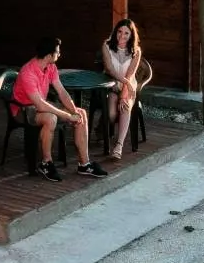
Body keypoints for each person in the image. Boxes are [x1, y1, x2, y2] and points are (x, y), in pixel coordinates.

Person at [11, 37, 106, 181]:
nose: (60, 54)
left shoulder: (51, 67)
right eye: (57, 52)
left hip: (41, 105)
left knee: (81, 113)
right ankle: (46, 163)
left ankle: (84, 164)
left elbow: (61, 92)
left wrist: (73, 111)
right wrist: (67, 116)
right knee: (51, 118)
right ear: (49, 55)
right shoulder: (27, 72)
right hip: (23, 110)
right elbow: (40, 104)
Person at [101, 18, 144, 160]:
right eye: (119, 31)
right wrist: (124, 82)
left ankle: (118, 146)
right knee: (112, 115)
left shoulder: (136, 51)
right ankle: (103, 123)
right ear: (115, 32)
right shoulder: (106, 45)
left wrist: (124, 95)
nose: (122, 35)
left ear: (131, 35)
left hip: (128, 86)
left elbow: (130, 75)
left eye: (126, 33)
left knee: (125, 106)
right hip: (111, 85)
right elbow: (110, 69)